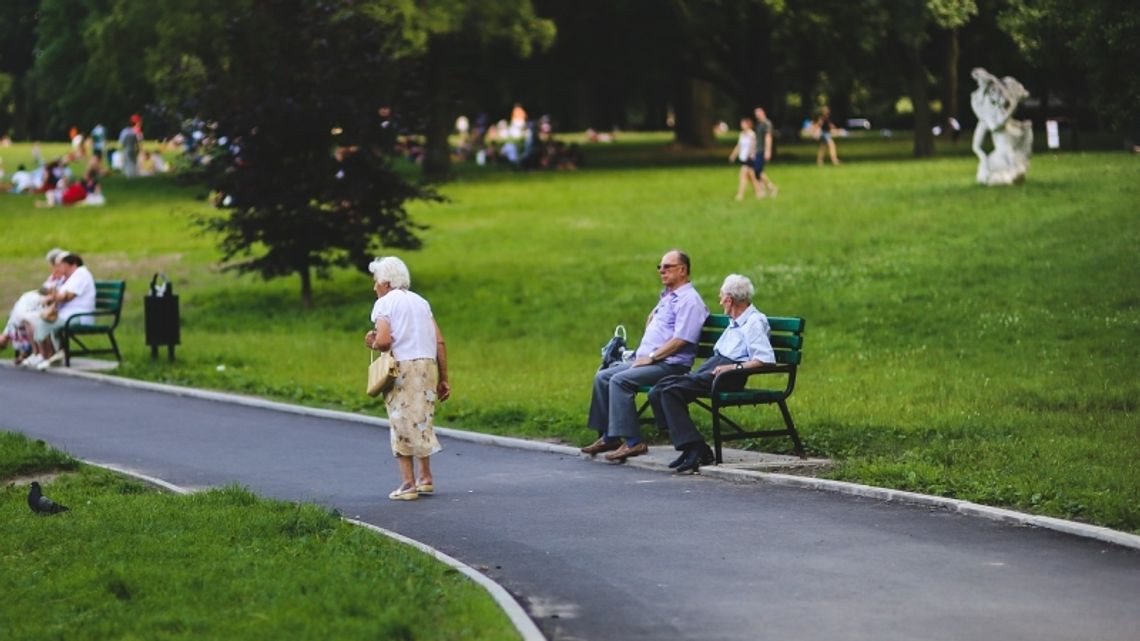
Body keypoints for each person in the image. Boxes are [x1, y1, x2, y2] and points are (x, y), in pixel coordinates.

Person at [582, 249, 709, 462]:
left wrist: (651, 357)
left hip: (670, 364)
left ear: (682, 270)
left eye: (667, 266)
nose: (661, 271)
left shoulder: (690, 300)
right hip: (650, 360)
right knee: (603, 376)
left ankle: (633, 442)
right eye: (659, 267)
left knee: (620, 380)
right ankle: (610, 435)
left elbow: (682, 340)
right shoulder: (669, 297)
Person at [648, 274, 775, 474]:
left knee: (671, 392)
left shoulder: (754, 322)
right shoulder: (735, 321)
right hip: (715, 368)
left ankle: (696, 448)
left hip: (728, 375)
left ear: (730, 299)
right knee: (659, 390)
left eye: (721, 296)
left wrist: (733, 368)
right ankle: (690, 446)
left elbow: (765, 359)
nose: (720, 300)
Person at [363, 256, 451, 501]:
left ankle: (407, 484)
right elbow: (440, 342)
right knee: (421, 419)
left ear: (386, 282)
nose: (374, 287)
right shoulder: (421, 302)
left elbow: (383, 341)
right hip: (426, 366)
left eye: (375, 282)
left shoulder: (384, 304)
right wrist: (444, 378)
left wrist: (371, 341)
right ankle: (426, 478)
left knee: (400, 422)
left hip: (402, 368)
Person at [23, 253, 95, 370]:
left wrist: (53, 295)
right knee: (31, 319)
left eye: (63, 265)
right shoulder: (69, 277)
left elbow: (67, 296)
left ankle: (49, 355)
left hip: (78, 315)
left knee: (43, 322)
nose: (61, 268)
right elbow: (49, 292)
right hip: (66, 314)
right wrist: (53, 288)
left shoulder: (81, 274)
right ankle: (48, 354)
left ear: (72, 265)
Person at [1, 248, 68, 364]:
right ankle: (10, 338)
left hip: (52, 308)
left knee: (24, 307)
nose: (54, 267)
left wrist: (49, 291)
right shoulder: (55, 276)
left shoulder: (66, 277)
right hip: (44, 305)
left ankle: (8, 336)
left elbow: (57, 293)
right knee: (24, 307)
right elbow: (44, 289)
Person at [728, 117, 761, 202]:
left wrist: (750, 154)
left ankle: (740, 195)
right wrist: (733, 155)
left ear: (748, 125)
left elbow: (754, 145)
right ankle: (759, 192)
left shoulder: (752, 134)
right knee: (752, 177)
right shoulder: (742, 134)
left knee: (742, 176)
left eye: (743, 124)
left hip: (749, 158)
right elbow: (739, 146)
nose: (742, 125)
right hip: (743, 157)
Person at [752, 107, 779, 197]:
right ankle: (763, 190)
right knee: (758, 171)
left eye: (758, 113)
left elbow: (768, 137)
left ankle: (771, 187)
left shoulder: (766, 123)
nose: (757, 115)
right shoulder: (759, 124)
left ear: (763, 112)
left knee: (757, 171)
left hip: (763, 150)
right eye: (756, 113)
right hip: (758, 149)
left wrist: (768, 151)